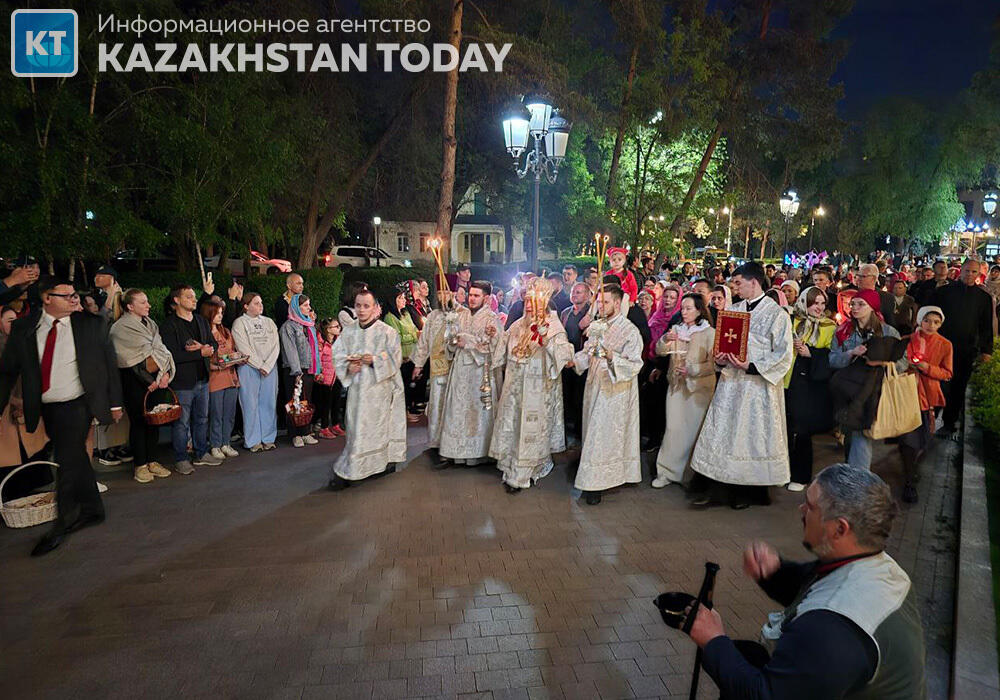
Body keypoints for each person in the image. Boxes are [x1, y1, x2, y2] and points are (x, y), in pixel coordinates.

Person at [687, 464, 926, 699]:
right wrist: (773, 572)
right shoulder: (879, 565)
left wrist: (712, 640)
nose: (801, 510)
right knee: (747, 654)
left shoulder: (832, 630)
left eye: (810, 507)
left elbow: (764, 695)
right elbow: (814, 586)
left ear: (840, 529)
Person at [0, 278, 123, 556]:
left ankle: (62, 523)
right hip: (46, 405)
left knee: (67, 458)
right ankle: (93, 508)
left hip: (78, 403)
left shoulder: (90, 325)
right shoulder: (24, 328)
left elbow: (108, 366)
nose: (73, 300)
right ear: (46, 298)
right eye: (66, 296)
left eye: (74, 295)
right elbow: (8, 372)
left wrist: (115, 403)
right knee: (75, 455)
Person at [689, 262, 795, 510]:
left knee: (749, 438)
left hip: (757, 389)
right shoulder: (733, 310)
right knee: (722, 434)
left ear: (754, 282)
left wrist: (751, 365)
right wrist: (720, 357)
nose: (734, 288)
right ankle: (713, 487)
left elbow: (783, 355)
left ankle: (746, 492)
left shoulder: (777, 314)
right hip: (730, 385)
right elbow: (722, 344)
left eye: (738, 283)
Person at [489, 278, 574, 493]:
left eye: (532, 300)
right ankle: (510, 465)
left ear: (543, 301)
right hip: (515, 388)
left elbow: (565, 355)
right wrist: (493, 336)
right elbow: (500, 350)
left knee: (530, 429)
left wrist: (546, 340)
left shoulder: (553, 326)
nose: (528, 304)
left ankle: (522, 474)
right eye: (526, 299)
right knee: (513, 424)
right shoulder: (518, 325)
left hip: (537, 390)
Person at [571, 284, 643, 505]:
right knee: (592, 433)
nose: (601, 306)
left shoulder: (630, 330)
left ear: (618, 303)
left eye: (606, 302)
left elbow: (634, 364)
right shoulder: (598, 326)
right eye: (599, 302)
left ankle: (595, 485)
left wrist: (612, 356)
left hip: (615, 392)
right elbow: (588, 353)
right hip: (594, 386)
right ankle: (593, 477)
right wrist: (571, 361)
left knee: (602, 437)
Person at [329, 288, 407, 489]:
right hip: (357, 390)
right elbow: (337, 355)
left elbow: (395, 358)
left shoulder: (387, 332)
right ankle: (354, 468)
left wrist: (374, 360)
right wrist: (348, 367)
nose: (362, 310)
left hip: (380, 390)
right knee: (356, 429)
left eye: (366, 306)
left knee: (377, 430)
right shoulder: (349, 331)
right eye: (358, 306)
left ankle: (377, 465)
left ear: (375, 308)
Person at [829, 289, 907, 469]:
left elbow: (903, 361)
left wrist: (884, 364)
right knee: (851, 431)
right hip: (848, 389)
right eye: (852, 304)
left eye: (860, 304)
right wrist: (851, 353)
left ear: (872, 307)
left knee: (861, 433)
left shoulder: (888, 331)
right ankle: (851, 472)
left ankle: (858, 479)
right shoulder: (844, 331)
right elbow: (832, 359)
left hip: (874, 389)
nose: (855, 308)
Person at [109, 289, 175, 483]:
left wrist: (164, 375)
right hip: (135, 382)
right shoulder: (120, 328)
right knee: (139, 423)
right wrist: (150, 380)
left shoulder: (151, 323)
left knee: (154, 421)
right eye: (143, 302)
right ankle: (140, 465)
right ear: (130, 306)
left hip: (157, 378)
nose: (149, 305)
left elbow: (161, 350)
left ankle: (152, 460)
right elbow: (127, 359)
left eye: (147, 302)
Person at [652, 293, 716, 487]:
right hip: (676, 385)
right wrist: (666, 339)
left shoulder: (709, 333)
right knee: (673, 428)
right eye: (683, 308)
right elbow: (660, 351)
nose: (685, 312)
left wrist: (693, 370)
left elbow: (715, 364)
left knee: (693, 430)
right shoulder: (676, 329)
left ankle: (689, 475)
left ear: (699, 310)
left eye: (689, 308)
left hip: (698, 389)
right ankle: (666, 471)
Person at [438, 282, 503, 465]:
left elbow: (496, 347)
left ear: (486, 298)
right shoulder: (461, 315)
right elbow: (451, 342)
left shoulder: (492, 318)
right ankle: (454, 451)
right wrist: (451, 336)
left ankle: (478, 453)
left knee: (477, 411)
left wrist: (469, 342)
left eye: (476, 295)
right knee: (457, 408)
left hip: (479, 372)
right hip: (460, 370)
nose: (472, 298)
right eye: (470, 295)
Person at [160, 284, 221, 474]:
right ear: (176, 300)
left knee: (202, 419)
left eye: (194, 297)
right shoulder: (169, 325)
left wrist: (205, 348)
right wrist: (200, 353)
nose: (194, 300)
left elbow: (212, 344)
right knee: (181, 423)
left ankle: (201, 453)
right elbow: (172, 355)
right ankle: (181, 458)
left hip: (202, 378)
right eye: (189, 297)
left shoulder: (201, 321)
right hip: (182, 382)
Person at [932, 258, 995, 436]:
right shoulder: (943, 292)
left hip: (965, 350)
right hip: (940, 347)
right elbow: (930, 315)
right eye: (967, 271)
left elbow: (985, 327)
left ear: (979, 274)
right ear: (961, 271)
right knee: (937, 384)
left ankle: (949, 423)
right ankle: (929, 420)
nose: (969, 275)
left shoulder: (983, 298)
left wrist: (986, 350)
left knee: (958, 388)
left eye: (974, 272)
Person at [785, 287, 837, 491]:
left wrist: (811, 353)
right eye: (815, 303)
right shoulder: (792, 320)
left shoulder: (829, 326)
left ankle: (801, 475)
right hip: (786, 380)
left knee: (802, 431)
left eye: (822, 303)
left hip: (809, 384)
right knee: (785, 429)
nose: (819, 307)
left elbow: (831, 356)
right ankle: (783, 470)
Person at [899, 306, 952, 503]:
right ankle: (909, 481)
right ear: (920, 320)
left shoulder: (945, 345)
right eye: (927, 320)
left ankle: (911, 471)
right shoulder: (907, 341)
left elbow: (947, 373)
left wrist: (927, 368)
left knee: (921, 440)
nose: (931, 325)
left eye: (936, 322)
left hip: (928, 396)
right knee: (908, 440)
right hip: (908, 393)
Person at [411, 287, 469, 460]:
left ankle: (452, 445)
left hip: (456, 368)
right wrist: (419, 364)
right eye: (440, 293)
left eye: (446, 293)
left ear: (453, 294)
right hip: (437, 370)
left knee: (454, 406)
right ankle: (436, 443)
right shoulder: (433, 316)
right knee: (436, 405)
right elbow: (424, 341)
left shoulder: (463, 314)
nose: (442, 297)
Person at [231, 292, 280, 453]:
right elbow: (242, 347)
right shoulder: (239, 323)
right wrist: (259, 364)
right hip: (249, 368)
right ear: (246, 306)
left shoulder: (269, 322)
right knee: (249, 403)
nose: (260, 306)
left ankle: (268, 437)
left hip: (270, 368)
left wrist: (268, 365)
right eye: (256, 303)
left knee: (269, 402)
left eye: (261, 303)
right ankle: (252, 440)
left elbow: (276, 345)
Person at [279, 293, 321, 448]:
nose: (308, 308)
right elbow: (290, 351)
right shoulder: (288, 326)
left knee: (306, 401)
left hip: (308, 368)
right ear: (296, 307)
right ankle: (294, 434)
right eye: (305, 305)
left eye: (309, 305)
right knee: (294, 402)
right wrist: (297, 371)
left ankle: (305, 431)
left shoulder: (308, 324)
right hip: (294, 369)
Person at [202, 299, 241, 460]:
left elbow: (232, 351)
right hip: (216, 379)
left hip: (231, 377)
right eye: (217, 313)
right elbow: (206, 360)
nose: (220, 316)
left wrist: (237, 357)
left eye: (221, 313)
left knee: (229, 413)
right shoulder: (204, 333)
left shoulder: (225, 331)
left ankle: (226, 443)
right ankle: (215, 444)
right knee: (216, 414)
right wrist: (217, 365)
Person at [381, 286, 422, 422]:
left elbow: (415, 329)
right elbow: (396, 337)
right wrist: (412, 336)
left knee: (410, 384)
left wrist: (413, 335)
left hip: (412, 355)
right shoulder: (389, 317)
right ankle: (401, 412)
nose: (404, 300)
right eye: (400, 298)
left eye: (404, 297)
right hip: (401, 358)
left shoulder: (406, 314)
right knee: (401, 386)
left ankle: (409, 409)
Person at [559, 282, 591, 444]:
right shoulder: (565, 313)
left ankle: (579, 433)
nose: (575, 295)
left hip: (582, 361)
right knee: (566, 394)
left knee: (580, 397)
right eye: (573, 292)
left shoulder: (590, 313)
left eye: (579, 292)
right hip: (566, 360)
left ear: (586, 295)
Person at [313, 318, 345, 440]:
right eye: (336, 326)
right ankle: (324, 428)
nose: (339, 328)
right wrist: (318, 373)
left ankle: (335, 425)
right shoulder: (321, 343)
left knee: (336, 402)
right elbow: (318, 359)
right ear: (328, 329)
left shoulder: (338, 342)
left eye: (338, 326)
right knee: (325, 404)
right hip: (325, 379)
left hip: (337, 376)